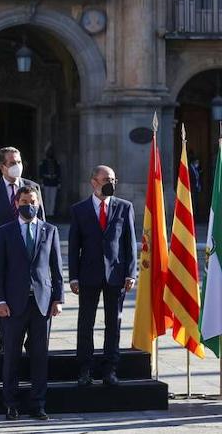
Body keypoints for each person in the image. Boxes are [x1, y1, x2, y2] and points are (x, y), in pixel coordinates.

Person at [0, 186, 63, 421]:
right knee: (12, 355)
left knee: (40, 356)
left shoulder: (49, 230)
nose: (29, 205)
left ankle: (38, 403)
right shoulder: (5, 231)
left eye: (32, 201)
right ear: (17, 203)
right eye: (24, 201)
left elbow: (56, 268)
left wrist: (58, 299)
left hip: (42, 303)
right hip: (13, 304)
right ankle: (10, 403)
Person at [68, 165, 136, 387]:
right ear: (94, 182)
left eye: (114, 180)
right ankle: (85, 368)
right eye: (107, 179)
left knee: (113, 323)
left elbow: (129, 242)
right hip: (88, 274)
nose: (111, 183)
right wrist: (73, 276)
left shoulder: (124, 207)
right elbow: (73, 246)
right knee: (85, 323)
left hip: (115, 274)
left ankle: (110, 369)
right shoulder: (79, 210)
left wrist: (131, 273)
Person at [0, 146, 43, 355]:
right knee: (4, 297)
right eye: (12, 163)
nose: (17, 166)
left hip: (31, 251)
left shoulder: (33, 187)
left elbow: (42, 223)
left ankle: (31, 343)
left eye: (19, 161)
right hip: (4, 254)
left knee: (33, 297)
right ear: (2, 167)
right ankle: (5, 343)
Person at [38, 145, 61, 218]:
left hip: (54, 182)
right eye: (49, 151)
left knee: (53, 199)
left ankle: (51, 213)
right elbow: (41, 173)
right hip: (46, 182)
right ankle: (47, 213)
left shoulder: (56, 162)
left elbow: (59, 173)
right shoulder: (43, 162)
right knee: (47, 199)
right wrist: (41, 182)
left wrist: (59, 182)